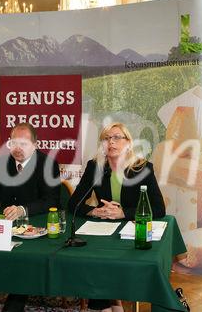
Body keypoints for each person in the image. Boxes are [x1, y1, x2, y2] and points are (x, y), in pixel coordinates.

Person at [68, 122, 165, 312]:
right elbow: (73, 204)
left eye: (117, 137)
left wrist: (124, 213)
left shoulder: (142, 168)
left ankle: (108, 305)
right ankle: (112, 305)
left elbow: (159, 208)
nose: (111, 142)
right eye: (106, 138)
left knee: (106, 267)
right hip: (104, 230)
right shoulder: (95, 166)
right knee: (95, 262)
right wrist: (94, 211)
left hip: (129, 233)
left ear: (128, 143)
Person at [0, 122, 60, 312]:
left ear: (35, 145)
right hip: (6, 226)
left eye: (24, 144)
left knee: (23, 261)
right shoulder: (3, 163)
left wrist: (22, 209)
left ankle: (15, 300)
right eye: (13, 143)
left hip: (35, 229)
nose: (17, 148)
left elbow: (52, 201)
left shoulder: (48, 164)